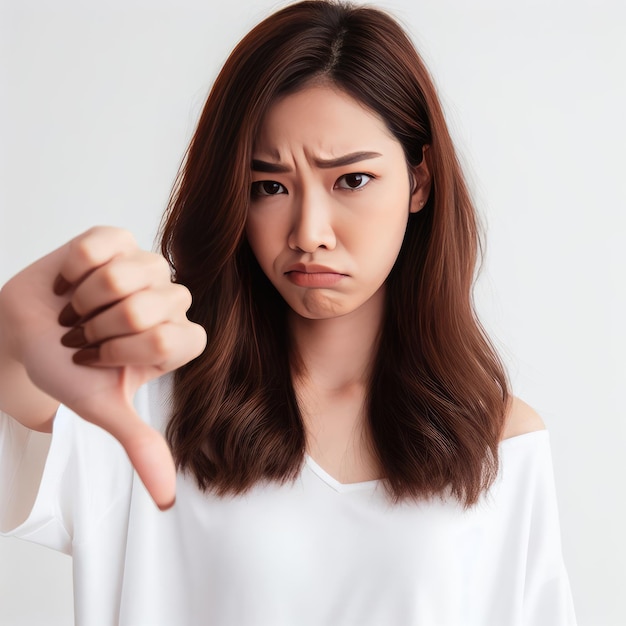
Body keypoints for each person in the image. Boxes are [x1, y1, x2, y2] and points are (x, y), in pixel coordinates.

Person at [0, 1, 576, 624]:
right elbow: (21, 395)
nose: (309, 232)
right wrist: (10, 333)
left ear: (419, 181)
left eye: (351, 180)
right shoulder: (145, 411)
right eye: (268, 186)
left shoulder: (500, 442)